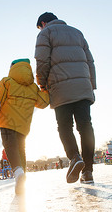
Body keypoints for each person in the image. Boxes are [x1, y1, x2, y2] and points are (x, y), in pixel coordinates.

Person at [34, 12, 96, 184]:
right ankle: (88, 171)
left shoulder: (45, 34)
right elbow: (90, 61)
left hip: (60, 87)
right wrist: (92, 85)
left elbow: (42, 60)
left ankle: (74, 157)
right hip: (83, 86)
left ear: (43, 23)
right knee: (85, 126)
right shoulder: (77, 32)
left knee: (64, 126)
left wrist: (42, 84)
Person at [0, 58, 49, 194]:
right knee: (21, 149)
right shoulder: (33, 87)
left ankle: (18, 172)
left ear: (12, 68)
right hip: (24, 125)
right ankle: (22, 176)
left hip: (6, 121)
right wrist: (45, 89)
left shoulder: (6, 82)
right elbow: (43, 103)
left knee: (10, 147)